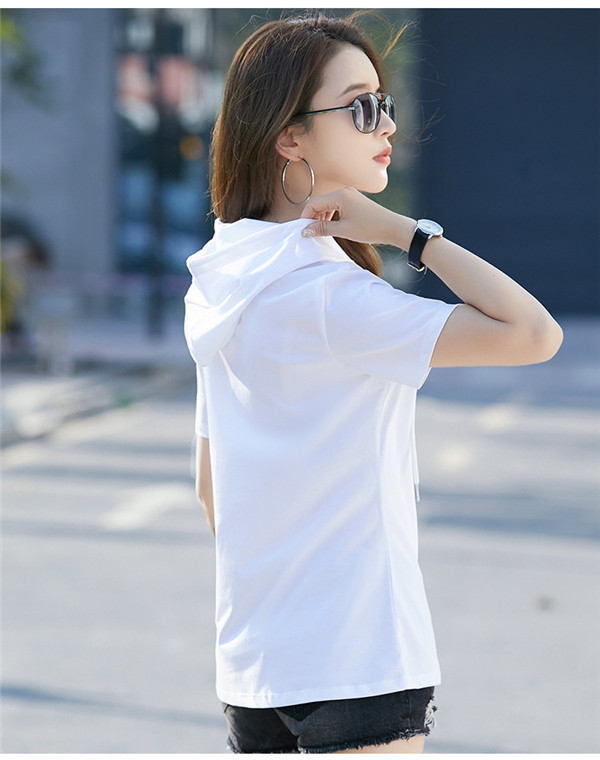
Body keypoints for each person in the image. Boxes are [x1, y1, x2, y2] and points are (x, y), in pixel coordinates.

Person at [183, 12, 563, 755]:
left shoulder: (222, 274)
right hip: (358, 656)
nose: (387, 123)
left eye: (383, 102)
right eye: (360, 107)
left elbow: (211, 490)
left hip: (256, 667)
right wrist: (406, 232)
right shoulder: (330, 296)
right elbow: (533, 333)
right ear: (290, 137)